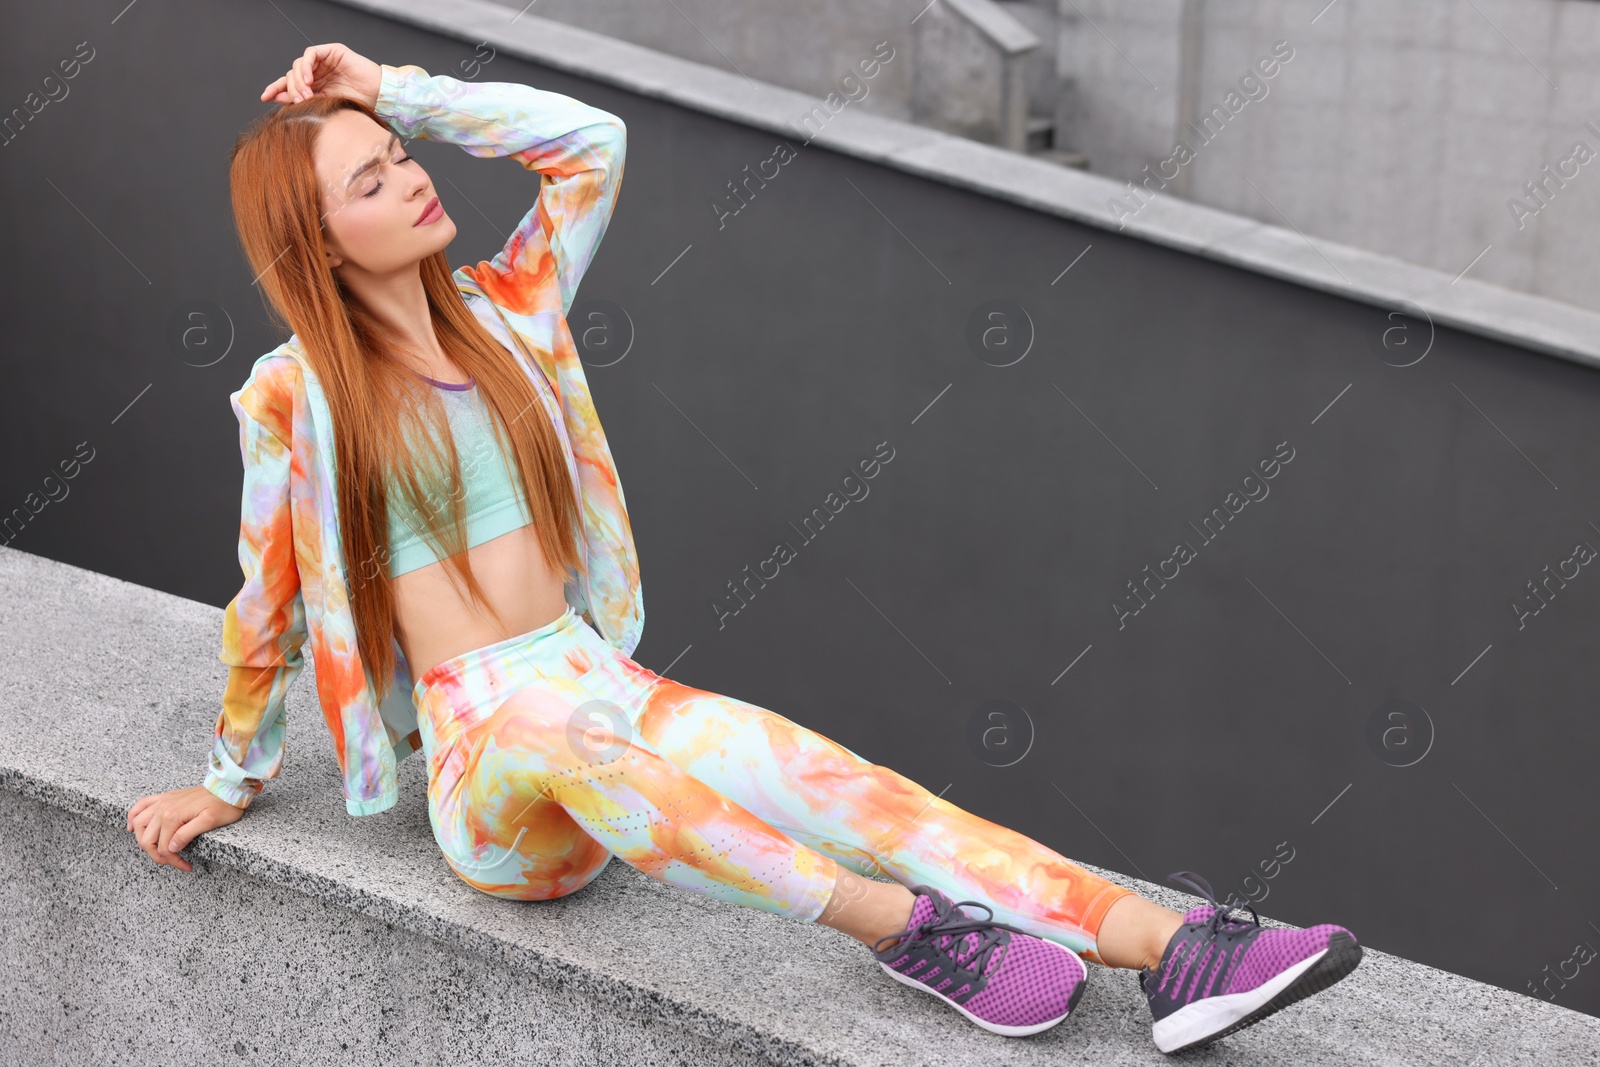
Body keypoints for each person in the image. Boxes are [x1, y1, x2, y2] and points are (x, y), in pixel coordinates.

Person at [124, 42, 1361, 1053]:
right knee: (572, 734)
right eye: (372, 179)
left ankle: (1177, 950)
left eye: (403, 160)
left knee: (836, 779)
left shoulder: (512, 312)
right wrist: (230, 780)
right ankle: (905, 929)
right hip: (487, 761)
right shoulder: (296, 399)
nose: (410, 179)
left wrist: (391, 91)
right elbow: (265, 603)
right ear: (317, 242)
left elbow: (588, 145)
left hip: (593, 678)